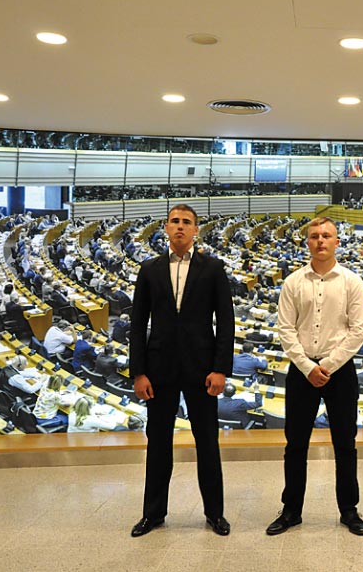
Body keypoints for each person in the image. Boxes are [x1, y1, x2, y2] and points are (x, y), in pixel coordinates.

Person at [130, 204, 235, 538]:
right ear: (165, 227)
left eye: (186, 222)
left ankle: (215, 514)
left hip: (202, 369)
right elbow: (137, 324)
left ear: (195, 230)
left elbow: (226, 322)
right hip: (159, 369)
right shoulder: (149, 269)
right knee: (158, 444)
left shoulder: (213, 268)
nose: (180, 226)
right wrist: (138, 372)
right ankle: (153, 514)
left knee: (208, 444)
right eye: (174, 221)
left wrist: (221, 369)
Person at [267, 217, 363, 537]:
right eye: (314, 236)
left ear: (337, 242)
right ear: (307, 242)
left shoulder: (351, 281)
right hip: (301, 372)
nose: (320, 240)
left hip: (340, 371)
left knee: (345, 444)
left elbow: (358, 331)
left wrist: (327, 364)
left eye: (326, 235)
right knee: (295, 445)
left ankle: (349, 510)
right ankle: (291, 510)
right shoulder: (293, 282)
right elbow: (285, 329)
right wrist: (308, 367)